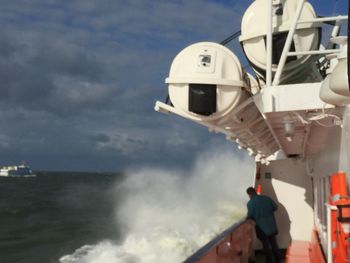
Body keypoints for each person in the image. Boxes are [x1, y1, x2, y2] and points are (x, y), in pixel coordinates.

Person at [246, 187, 282, 263]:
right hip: (271, 226)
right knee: (274, 244)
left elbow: (250, 216)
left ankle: (269, 261)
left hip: (261, 229)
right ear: (255, 191)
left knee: (266, 246)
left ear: (249, 194)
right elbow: (275, 207)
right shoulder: (266, 198)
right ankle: (278, 260)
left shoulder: (250, 203)